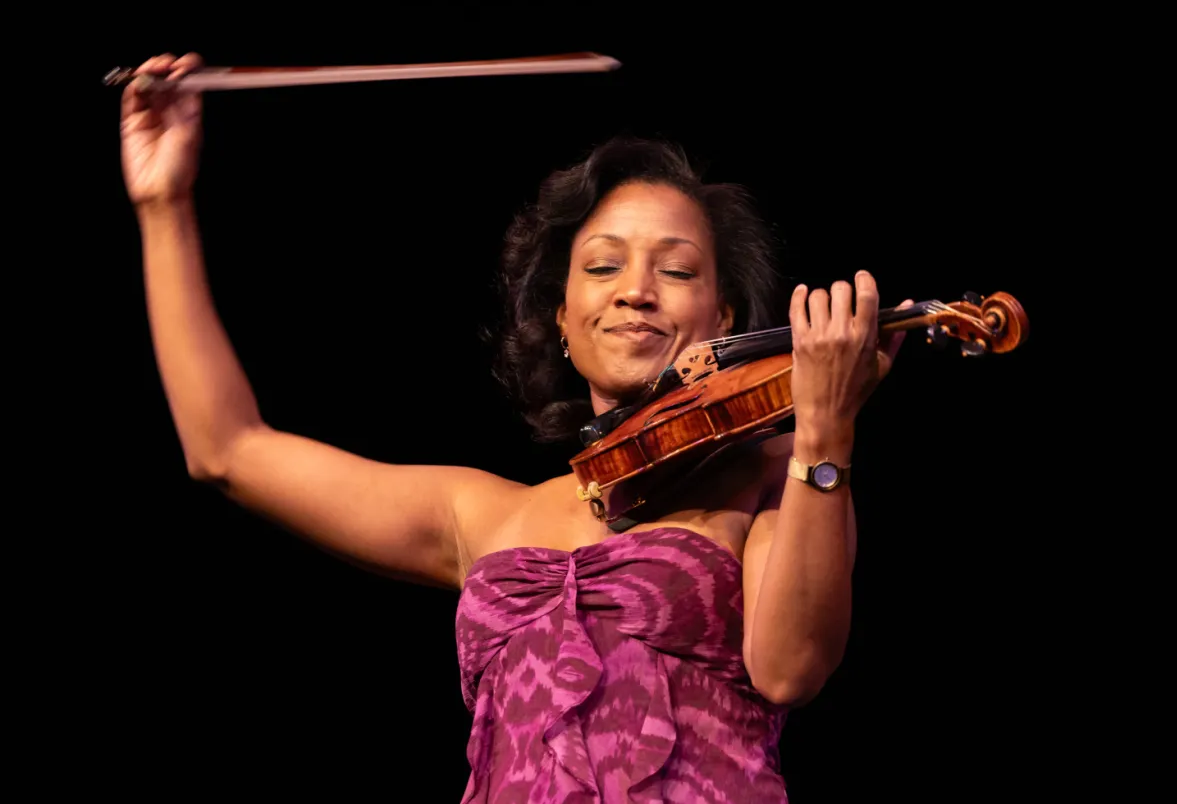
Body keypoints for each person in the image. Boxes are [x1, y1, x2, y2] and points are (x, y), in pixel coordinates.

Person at [121, 52, 909, 803]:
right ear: (563, 318)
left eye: (675, 270)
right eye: (603, 266)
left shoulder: (771, 480)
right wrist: (164, 204)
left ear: (722, 318)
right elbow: (226, 449)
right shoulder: (483, 516)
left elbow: (789, 671)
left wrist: (824, 434)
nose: (637, 291)